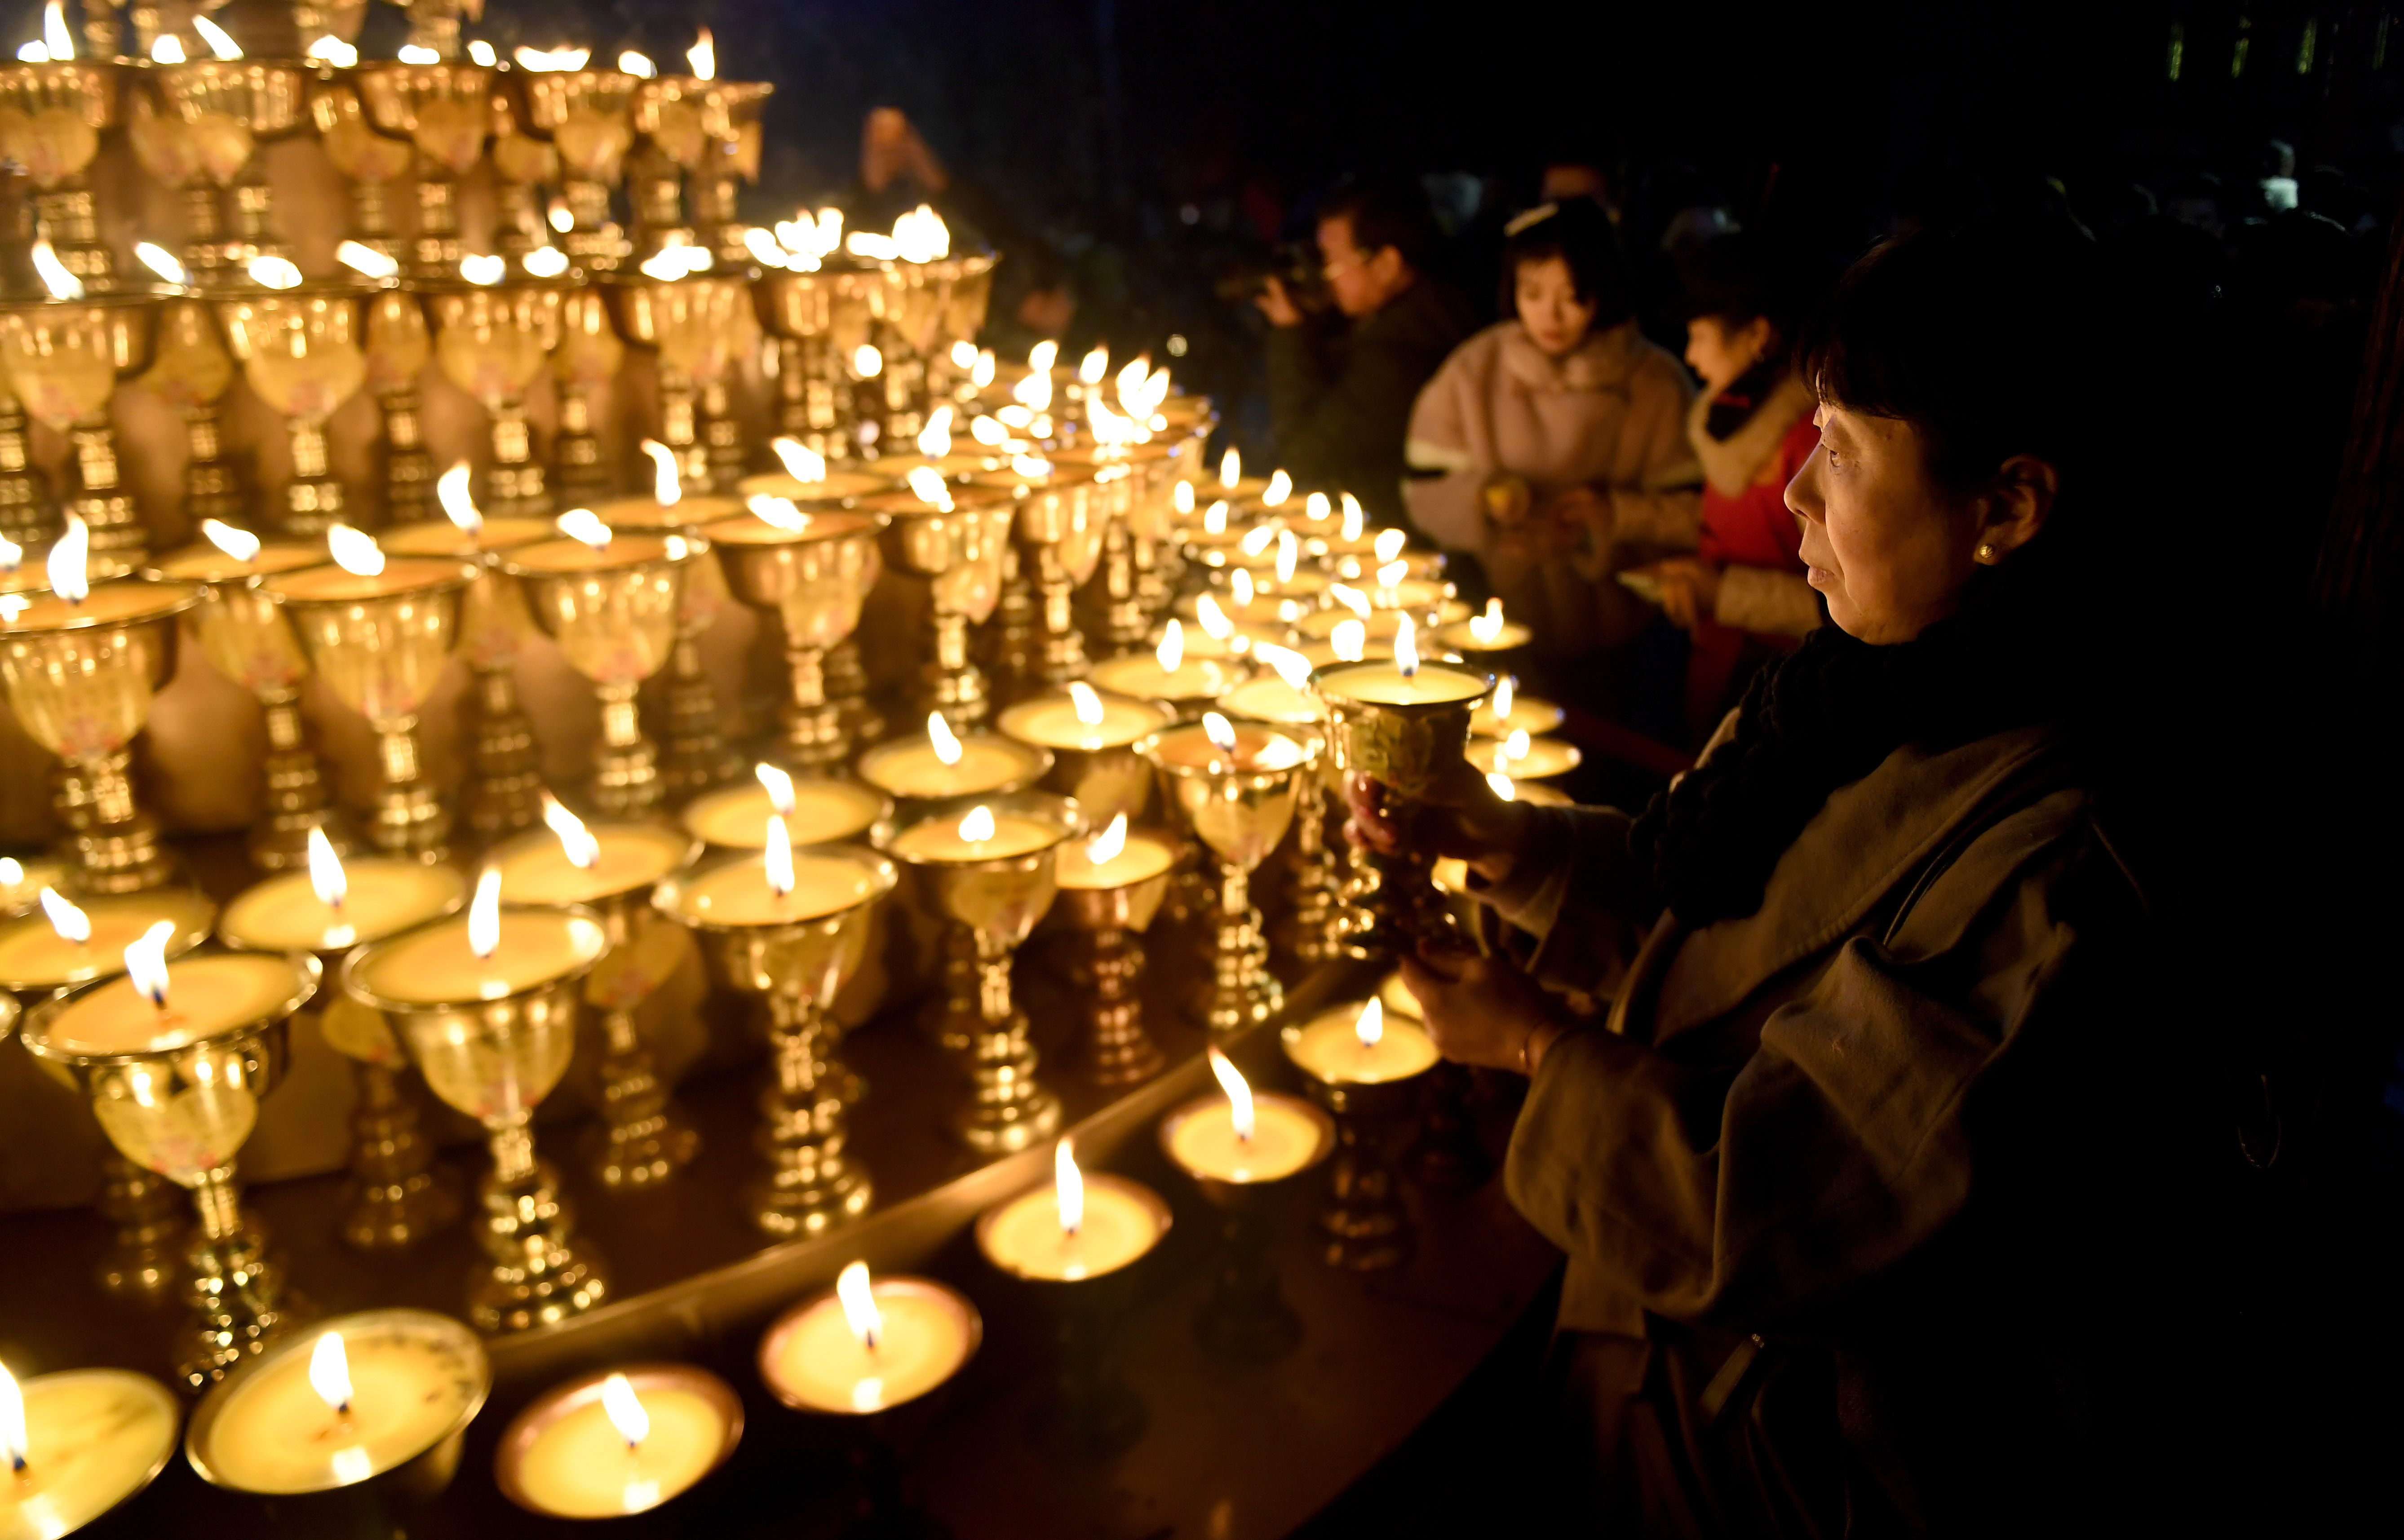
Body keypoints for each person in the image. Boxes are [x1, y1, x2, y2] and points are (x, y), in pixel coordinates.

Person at [1350, 221, 2203, 1532]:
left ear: (2009, 506)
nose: (1794, 492)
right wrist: (1510, 843)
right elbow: (1711, 921)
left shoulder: (2056, 856)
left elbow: (1788, 1207)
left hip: (1783, 1459)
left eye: (1846, 451)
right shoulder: (1853, 685)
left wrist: (1537, 1050)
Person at [1403, 200, 1700, 689]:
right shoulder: (1477, 367)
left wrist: (1597, 526)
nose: (1549, 314)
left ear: (1603, 291)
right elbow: (1424, 483)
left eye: (1572, 296)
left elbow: (1692, 513)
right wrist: (1482, 498)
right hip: (1487, 619)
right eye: (1531, 292)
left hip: (1615, 639)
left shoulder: (1654, 382)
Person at [1629, 233, 1824, 743]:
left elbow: (1835, 597)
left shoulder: (1807, 437)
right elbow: (1723, 518)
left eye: (1699, 335)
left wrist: (1719, 590)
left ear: (1758, 336)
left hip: (1782, 682)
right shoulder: (1737, 419)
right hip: (1721, 657)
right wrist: (1607, 515)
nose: (1690, 357)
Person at [1257, 179, 1477, 528]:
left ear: (1387, 265)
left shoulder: (1401, 357)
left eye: (1331, 260)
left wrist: (1291, 334)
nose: (1325, 276)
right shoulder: (1427, 320)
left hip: (1391, 537)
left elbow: (1304, 451)